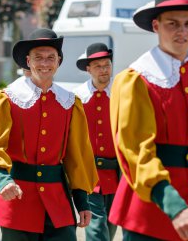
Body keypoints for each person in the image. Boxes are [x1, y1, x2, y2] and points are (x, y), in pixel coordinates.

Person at [109, 0, 188, 240]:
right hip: (152, 209)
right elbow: (136, 151)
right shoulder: (136, 79)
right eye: (172, 24)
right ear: (155, 26)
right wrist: (174, 205)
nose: (182, 31)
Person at [0, 28, 98, 241]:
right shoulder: (6, 99)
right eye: (38, 58)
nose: (45, 63)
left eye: (51, 58)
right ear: (28, 61)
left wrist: (82, 201)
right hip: (16, 201)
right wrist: (3, 180)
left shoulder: (69, 102)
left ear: (59, 61)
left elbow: (77, 156)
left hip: (58, 203)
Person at [73, 43, 118, 241]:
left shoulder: (121, 94)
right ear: (88, 69)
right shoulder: (77, 98)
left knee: (110, 227)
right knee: (97, 231)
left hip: (118, 175)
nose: (103, 70)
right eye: (98, 66)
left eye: (106, 64)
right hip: (89, 175)